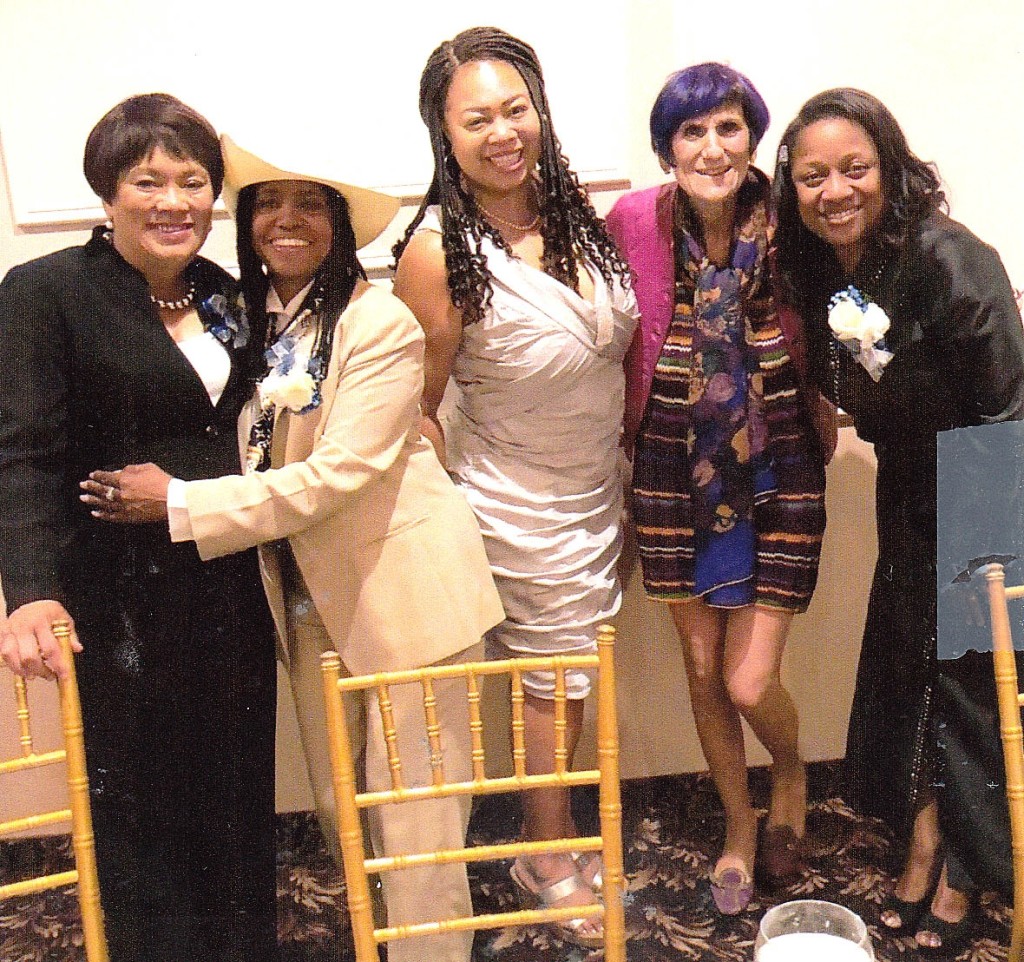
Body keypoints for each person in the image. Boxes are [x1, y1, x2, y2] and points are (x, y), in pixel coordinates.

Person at [82, 136, 505, 962]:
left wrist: (176, 501)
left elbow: (336, 476)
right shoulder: (250, 318)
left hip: (406, 598)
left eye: (310, 204)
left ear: (340, 226)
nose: (286, 220)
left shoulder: (377, 322)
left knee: (418, 826)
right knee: (341, 811)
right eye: (268, 203)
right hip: (309, 606)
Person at [0, 95, 277, 961]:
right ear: (108, 193)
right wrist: (31, 593)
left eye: (193, 181)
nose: (174, 201)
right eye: (146, 181)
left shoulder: (232, 295)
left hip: (230, 582)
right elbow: (22, 454)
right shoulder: (44, 293)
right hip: (115, 599)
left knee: (236, 795)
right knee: (137, 809)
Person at [391, 26, 638, 948]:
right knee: (552, 683)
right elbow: (416, 404)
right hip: (513, 503)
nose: (503, 132)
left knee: (571, 683)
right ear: (442, 134)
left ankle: (549, 835)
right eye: (476, 118)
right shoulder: (435, 250)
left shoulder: (576, 216)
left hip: (594, 492)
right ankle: (546, 852)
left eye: (516, 109)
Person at [773, 87, 1024, 955]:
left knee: (969, 683)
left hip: (992, 483)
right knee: (908, 670)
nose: (834, 190)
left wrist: (989, 540)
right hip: (910, 486)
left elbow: (1007, 409)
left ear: (890, 167)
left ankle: (963, 869)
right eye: (812, 177)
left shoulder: (952, 257)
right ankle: (925, 840)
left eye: (854, 169)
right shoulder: (822, 274)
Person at [604, 63, 827, 914]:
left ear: (753, 138)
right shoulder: (631, 222)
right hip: (670, 475)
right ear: (667, 149)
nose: (711, 147)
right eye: (691, 132)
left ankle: (794, 773)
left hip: (779, 474)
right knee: (702, 670)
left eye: (728, 127)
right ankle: (741, 822)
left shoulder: (794, 225)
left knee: (745, 681)